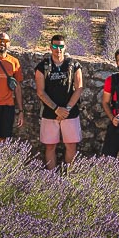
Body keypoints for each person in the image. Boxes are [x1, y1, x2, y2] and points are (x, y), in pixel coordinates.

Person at [34, 33, 84, 169]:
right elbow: (40, 92)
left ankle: (68, 178)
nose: (58, 49)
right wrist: (56, 109)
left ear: (65, 47)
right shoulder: (42, 67)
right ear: (51, 47)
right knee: (50, 146)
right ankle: (51, 179)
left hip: (70, 113)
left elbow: (79, 88)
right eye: (55, 46)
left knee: (71, 146)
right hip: (50, 113)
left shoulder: (74, 65)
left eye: (61, 46)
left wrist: (66, 109)